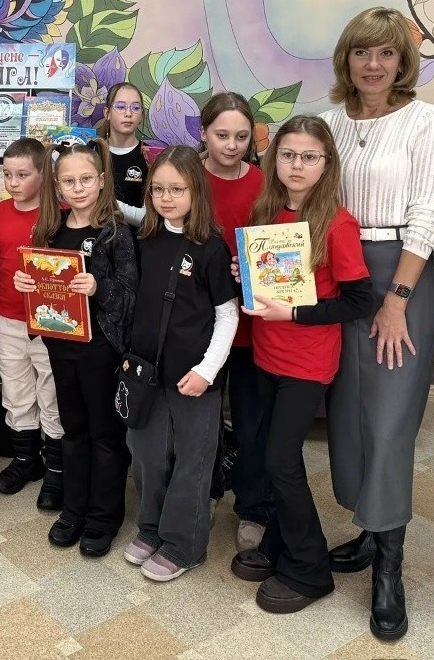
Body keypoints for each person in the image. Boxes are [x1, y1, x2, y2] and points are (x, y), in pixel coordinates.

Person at [318, 7, 434, 640]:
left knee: (390, 420)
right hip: (339, 271)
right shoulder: (330, 123)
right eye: (362, 52)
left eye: (386, 53)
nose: (373, 64)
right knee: (346, 410)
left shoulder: (424, 120)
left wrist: (397, 296)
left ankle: (390, 568)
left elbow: (429, 210)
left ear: (402, 62)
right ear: (346, 59)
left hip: (401, 271)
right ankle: (369, 530)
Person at [229, 116, 374, 614]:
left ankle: (310, 568)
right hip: (266, 354)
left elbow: (358, 301)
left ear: (326, 164)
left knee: (281, 461)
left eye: (309, 157)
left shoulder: (337, 223)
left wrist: (294, 313)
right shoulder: (268, 212)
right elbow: (268, 283)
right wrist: (245, 273)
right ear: (274, 159)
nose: (297, 165)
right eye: (288, 155)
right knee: (266, 452)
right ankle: (278, 543)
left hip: (307, 363)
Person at [15, 140, 137, 557]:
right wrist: (26, 282)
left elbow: (131, 299)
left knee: (105, 434)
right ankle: (74, 509)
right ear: (57, 184)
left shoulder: (116, 233)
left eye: (86, 179)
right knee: (73, 430)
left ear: (102, 181)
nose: (78, 188)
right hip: (61, 345)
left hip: (102, 349)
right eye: (69, 181)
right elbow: (41, 288)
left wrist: (99, 287)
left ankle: (103, 516)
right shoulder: (50, 231)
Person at [124, 147, 238, 581]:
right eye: (158, 189)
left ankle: (184, 544)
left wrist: (208, 370)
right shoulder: (146, 240)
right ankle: (151, 528)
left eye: (177, 189)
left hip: (195, 375)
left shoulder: (211, 247)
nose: (166, 198)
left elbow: (227, 314)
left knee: (192, 460)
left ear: (196, 191)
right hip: (147, 373)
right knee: (148, 455)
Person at [199, 92, 268, 550]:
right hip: (199, 323)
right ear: (203, 133)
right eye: (222, 135)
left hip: (253, 322)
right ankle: (203, 493)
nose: (231, 145)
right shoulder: (186, 177)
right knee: (201, 418)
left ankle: (254, 506)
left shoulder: (264, 182)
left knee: (252, 420)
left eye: (241, 137)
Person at [0, 137, 63, 510]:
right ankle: (26, 460)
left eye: (23, 175)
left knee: (52, 394)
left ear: (43, 174)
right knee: (16, 392)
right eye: (8, 174)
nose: (13, 182)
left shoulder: (60, 214)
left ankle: (57, 467)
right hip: (8, 318)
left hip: (52, 324)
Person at [100, 82, 148, 227]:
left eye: (135, 108)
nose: (128, 114)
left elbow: (152, 217)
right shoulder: (93, 153)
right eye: (120, 107)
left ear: (141, 115)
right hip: (95, 235)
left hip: (139, 237)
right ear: (107, 113)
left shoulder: (150, 156)